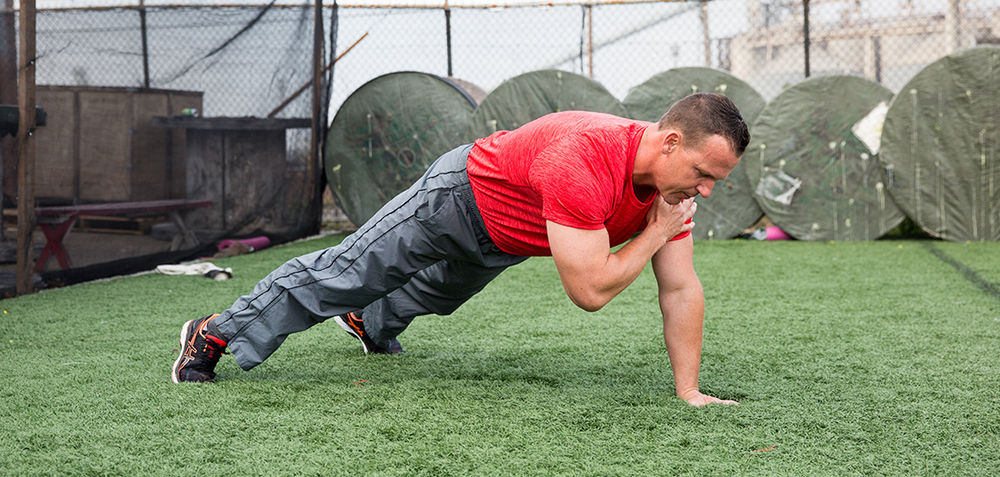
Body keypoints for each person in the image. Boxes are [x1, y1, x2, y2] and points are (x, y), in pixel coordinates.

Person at [171, 92, 749, 407]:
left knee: (435, 293)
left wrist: (689, 391)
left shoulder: (670, 190)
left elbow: (680, 287)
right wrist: (652, 232)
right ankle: (215, 332)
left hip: (505, 236)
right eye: (702, 173)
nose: (704, 191)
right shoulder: (585, 159)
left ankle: (368, 321)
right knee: (344, 273)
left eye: (715, 181)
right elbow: (591, 291)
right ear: (670, 141)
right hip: (456, 198)